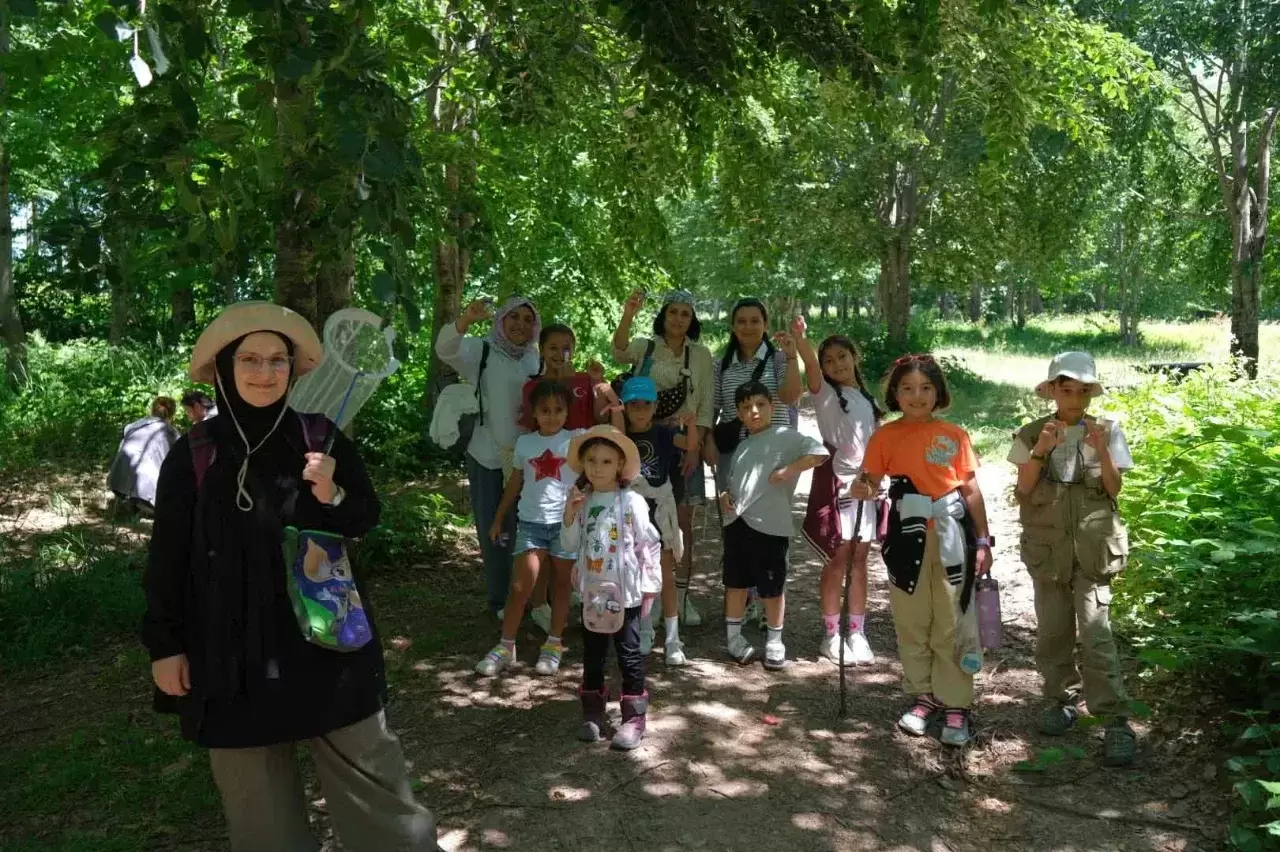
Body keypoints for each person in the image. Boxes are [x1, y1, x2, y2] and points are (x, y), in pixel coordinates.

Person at [142, 301, 437, 852]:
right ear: (225, 368)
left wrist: (333, 492)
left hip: (328, 642)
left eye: (277, 359)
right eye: (250, 359)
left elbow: (364, 517)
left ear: (293, 368)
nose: (265, 372)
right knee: (261, 816)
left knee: (378, 789)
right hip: (230, 654)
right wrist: (165, 644)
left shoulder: (319, 435)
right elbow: (168, 558)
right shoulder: (194, 453)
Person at [852, 354, 993, 747]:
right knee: (912, 620)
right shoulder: (885, 436)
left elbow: (970, 490)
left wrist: (983, 540)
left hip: (952, 538)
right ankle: (924, 695)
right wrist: (862, 487)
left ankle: (956, 703)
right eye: (908, 388)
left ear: (938, 392)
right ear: (895, 394)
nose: (917, 395)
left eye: (926, 388)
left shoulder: (954, 435)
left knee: (952, 617)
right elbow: (870, 480)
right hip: (905, 538)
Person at [1009, 351, 1136, 766]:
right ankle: (1061, 700)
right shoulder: (1031, 433)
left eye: (1084, 391)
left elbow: (1115, 490)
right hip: (1048, 549)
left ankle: (1114, 720)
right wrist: (1042, 450)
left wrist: (1102, 450)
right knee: (1052, 631)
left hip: (1093, 550)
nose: (1076, 399)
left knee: (1097, 634)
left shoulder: (1108, 430)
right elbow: (1023, 489)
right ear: (1051, 391)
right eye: (1067, 390)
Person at [613, 289, 716, 626]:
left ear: (692, 319)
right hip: (644, 442)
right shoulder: (646, 347)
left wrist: (695, 448)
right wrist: (628, 313)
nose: (678, 319)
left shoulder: (701, 355)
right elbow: (618, 352)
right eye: (673, 312)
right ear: (664, 315)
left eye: (685, 314)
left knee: (681, 521)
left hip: (684, 442)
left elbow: (706, 404)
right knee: (641, 520)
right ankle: (650, 597)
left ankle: (681, 596)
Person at [436, 296, 542, 618]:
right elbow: (445, 349)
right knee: (495, 528)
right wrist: (466, 318)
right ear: (501, 320)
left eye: (528, 319)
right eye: (514, 317)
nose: (521, 324)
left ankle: (531, 593)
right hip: (488, 455)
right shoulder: (481, 350)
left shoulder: (533, 359)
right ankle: (500, 600)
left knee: (529, 526)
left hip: (528, 458)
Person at [561, 426, 662, 751]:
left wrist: (650, 584)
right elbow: (570, 544)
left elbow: (649, 542)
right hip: (592, 593)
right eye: (591, 460)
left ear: (619, 464)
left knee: (628, 654)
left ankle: (634, 718)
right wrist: (569, 515)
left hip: (626, 594)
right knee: (592, 655)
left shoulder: (632, 500)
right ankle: (593, 712)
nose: (597, 467)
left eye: (606, 461)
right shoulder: (581, 501)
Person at [475, 380, 585, 678]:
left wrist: (608, 396)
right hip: (531, 525)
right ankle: (506, 646)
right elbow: (514, 483)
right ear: (533, 413)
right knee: (520, 587)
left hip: (566, 525)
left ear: (567, 411)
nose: (552, 416)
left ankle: (554, 643)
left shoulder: (576, 439)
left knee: (561, 586)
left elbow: (611, 439)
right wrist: (498, 518)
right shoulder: (525, 444)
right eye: (545, 410)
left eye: (559, 409)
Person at [718, 380, 828, 670]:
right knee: (735, 583)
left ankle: (775, 641)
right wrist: (725, 496)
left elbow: (819, 453)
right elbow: (732, 483)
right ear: (739, 414)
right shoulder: (742, 446)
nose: (754, 411)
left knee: (772, 586)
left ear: (772, 406)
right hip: (737, 523)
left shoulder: (785, 436)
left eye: (760, 404)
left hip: (771, 526)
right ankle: (733, 638)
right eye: (746, 408)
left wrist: (789, 470)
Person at [795, 317, 882, 666]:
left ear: (854, 357)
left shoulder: (867, 398)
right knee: (838, 559)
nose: (836, 365)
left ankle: (857, 633)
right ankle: (831, 635)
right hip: (840, 486)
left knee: (860, 559)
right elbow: (811, 367)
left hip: (868, 487)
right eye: (829, 360)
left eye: (842, 356)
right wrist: (801, 339)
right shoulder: (826, 395)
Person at [521, 323, 610, 631]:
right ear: (541, 350)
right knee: (544, 538)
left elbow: (598, 417)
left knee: (577, 533)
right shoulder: (532, 387)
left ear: (574, 348)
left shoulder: (584, 380)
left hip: (581, 470)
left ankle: (569, 588)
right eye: (553, 348)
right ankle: (539, 603)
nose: (560, 354)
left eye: (566, 347)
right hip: (547, 474)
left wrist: (598, 383)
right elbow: (530, 428)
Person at [619, 376, 697, 666]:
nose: (640, 410)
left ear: (655, 407)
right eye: (633, 405)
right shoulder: (621, 435)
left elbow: (690, 445)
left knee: (664, 573)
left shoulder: (664, 434)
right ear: (626, 407)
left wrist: (691, 425)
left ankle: (673, 639)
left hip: (658, 510)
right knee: (636, 572)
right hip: (630, 511)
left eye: (646, 404)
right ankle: (645, 628)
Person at [107, 395, 180, 512]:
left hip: (116, 481)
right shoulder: (172, 433)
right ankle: (144, 502)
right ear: (172, 415)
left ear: (151, 410)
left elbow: (121, 450)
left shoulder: (133, 426)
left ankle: (132, 500)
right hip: (149, 486)